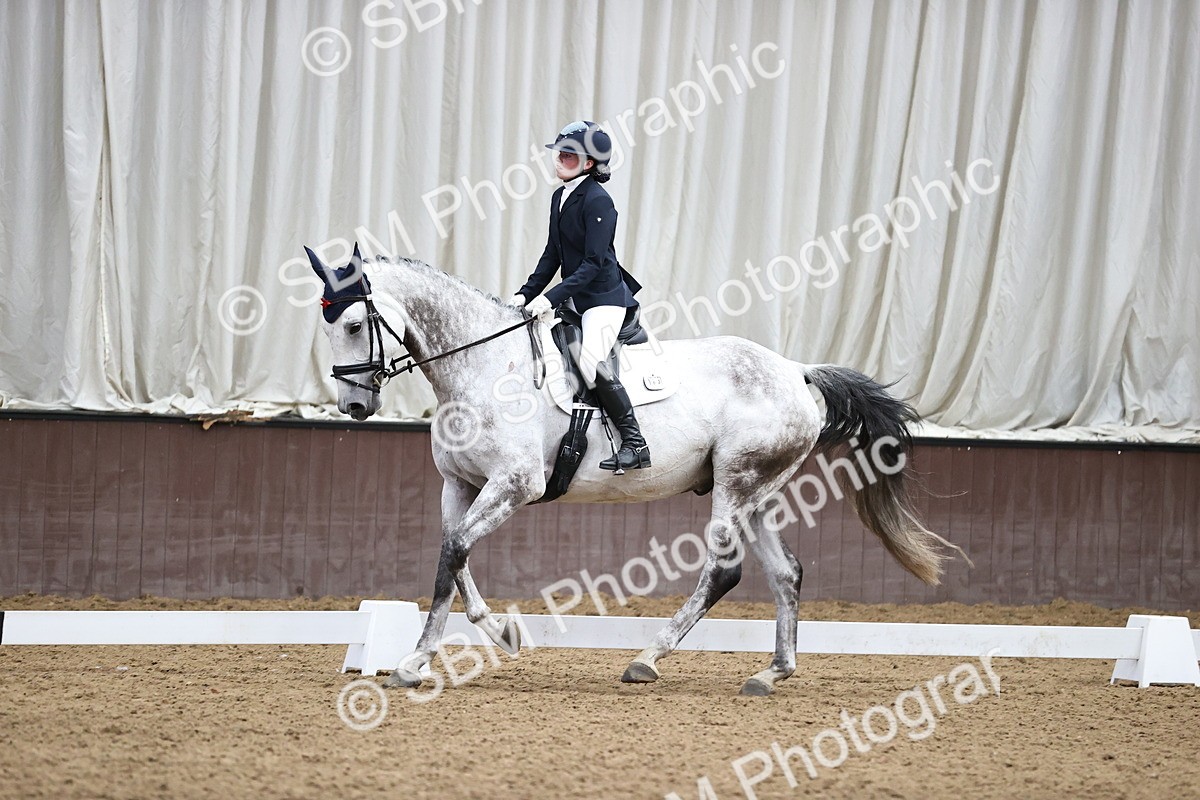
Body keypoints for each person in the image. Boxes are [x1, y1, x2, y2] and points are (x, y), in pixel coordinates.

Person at [510, 121, 651, 472]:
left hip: (603, 299)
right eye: (559, 153)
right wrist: (525, 294)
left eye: (569, 155)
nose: (559, 159)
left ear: (589, 164)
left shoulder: (599, 201)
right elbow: (552, 255)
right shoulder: (560, 196)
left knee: (589, 363)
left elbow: (593, 263)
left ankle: (635, 443)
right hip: (574, 298)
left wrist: (551, 298)